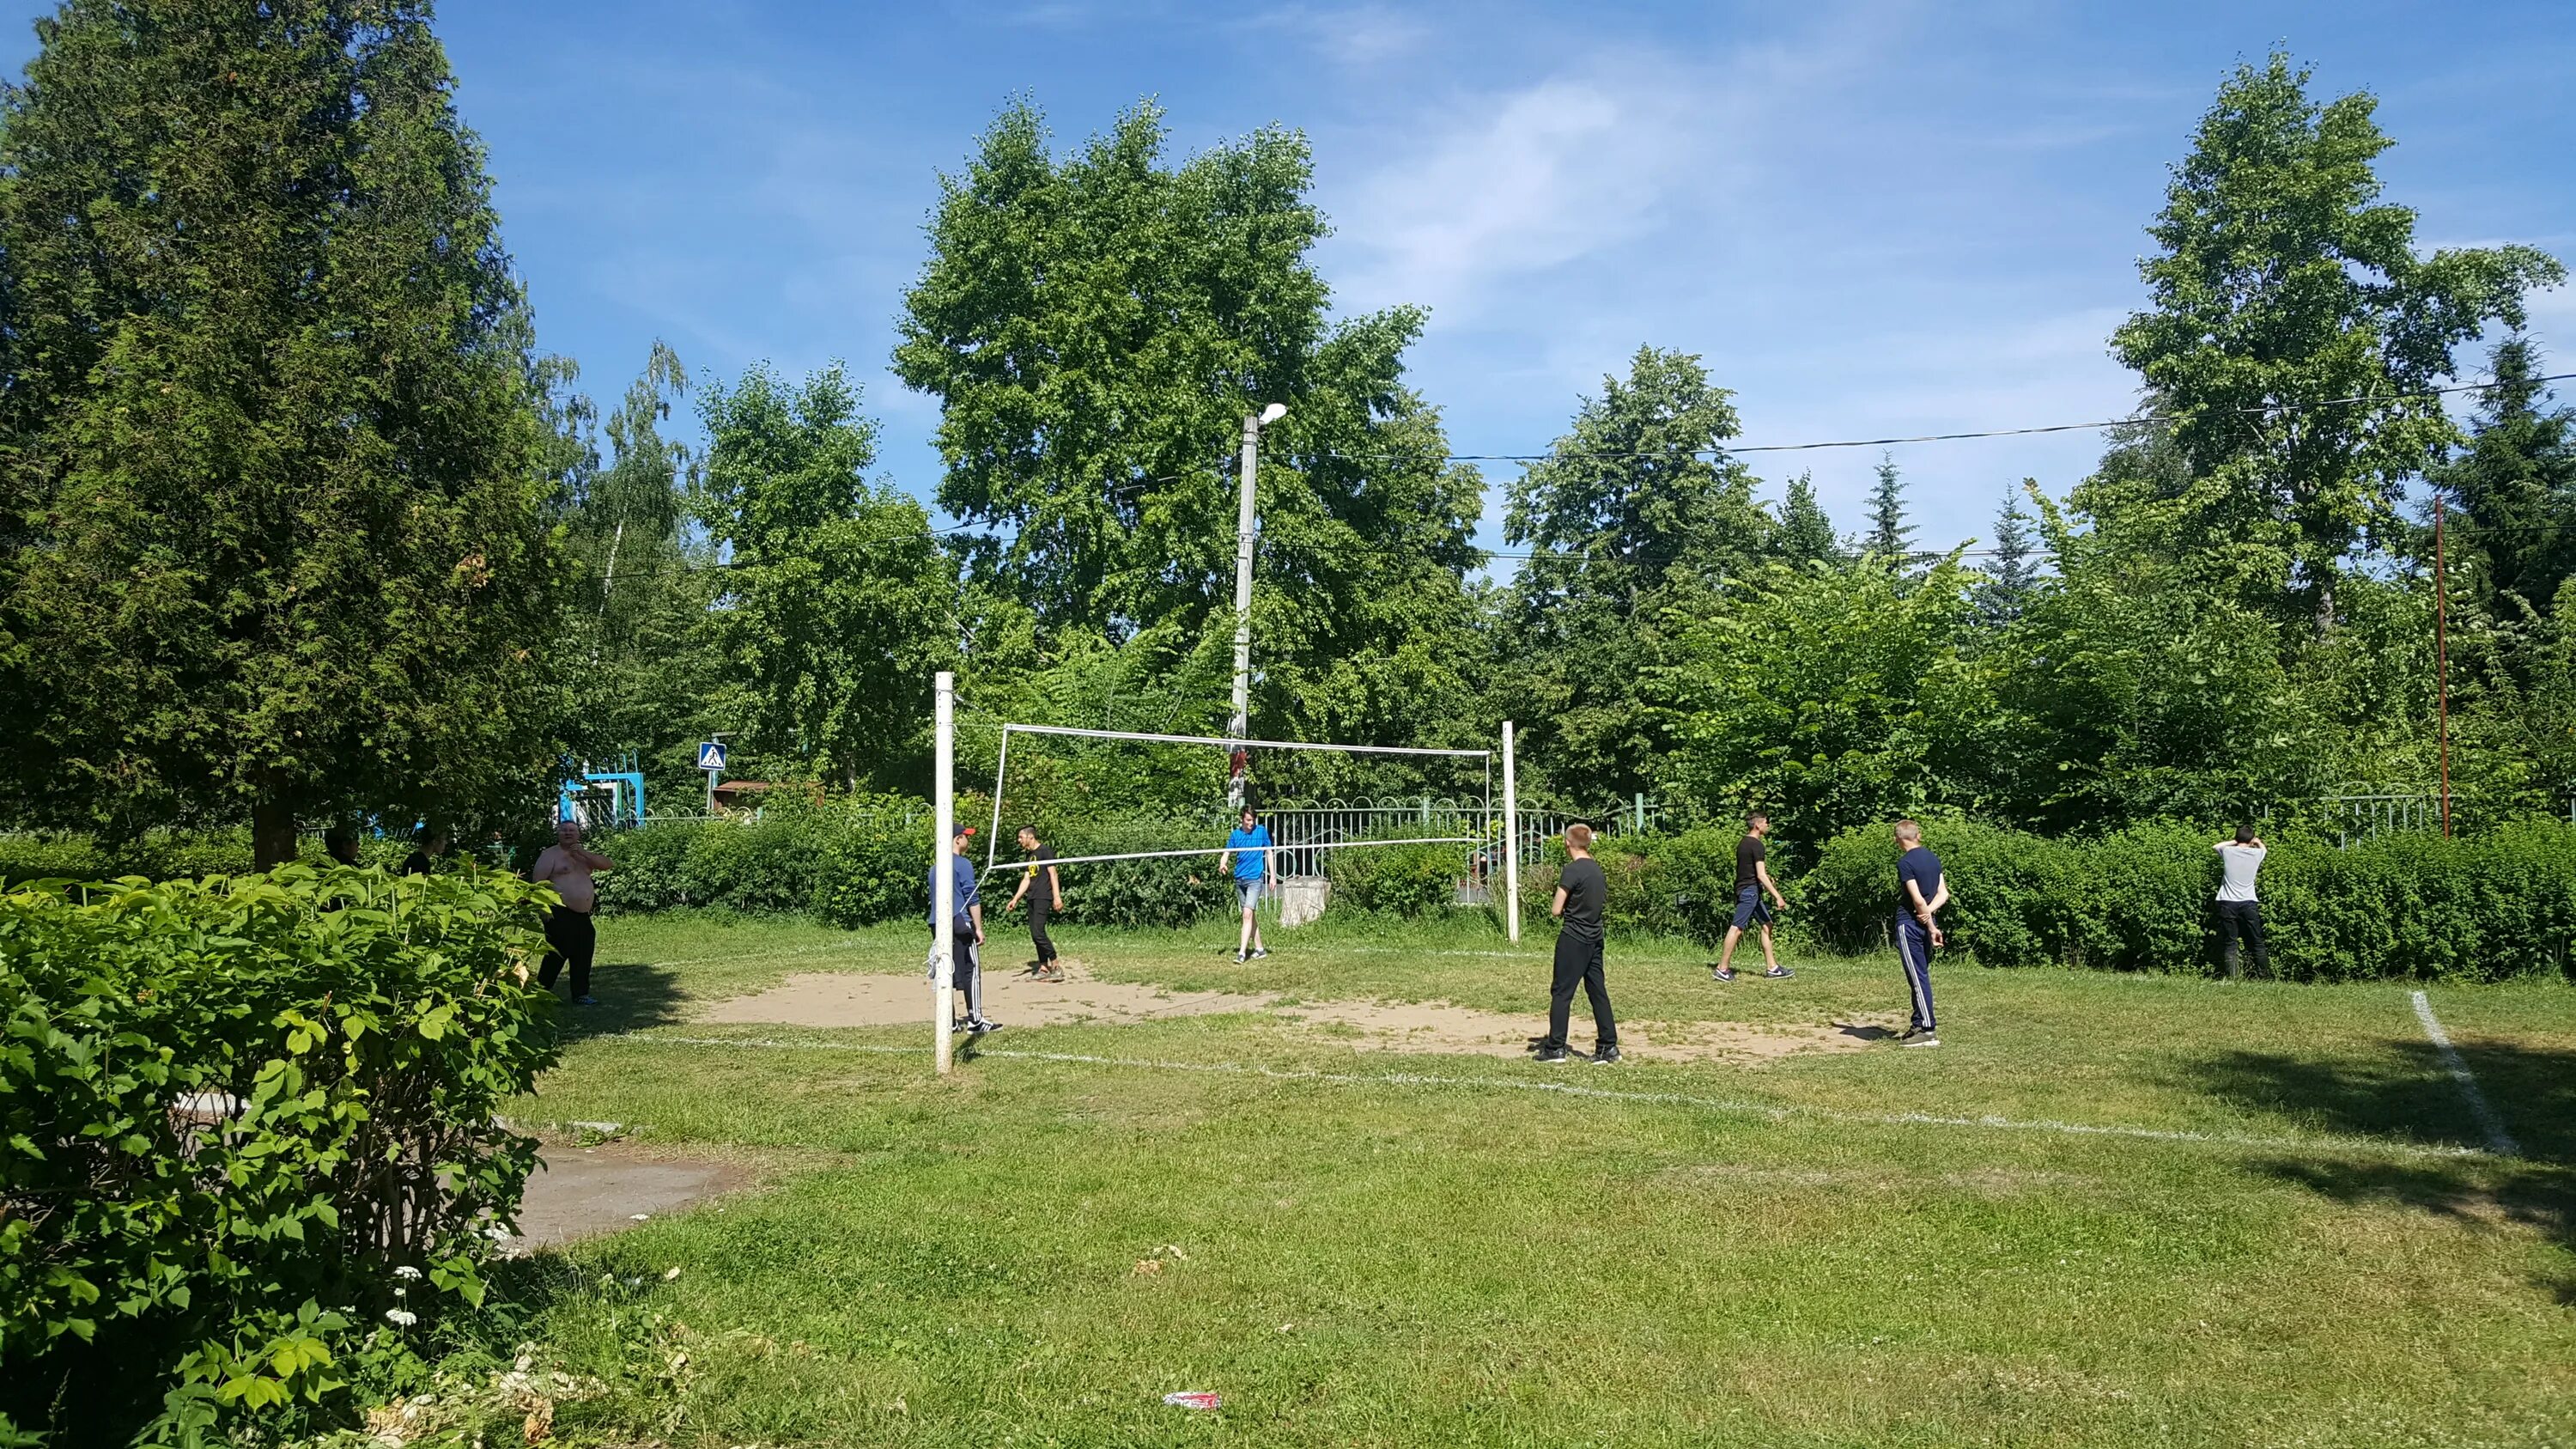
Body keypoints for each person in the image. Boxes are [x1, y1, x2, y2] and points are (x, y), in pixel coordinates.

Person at [1534, 825, 1619, 1065]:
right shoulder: (1597, 870)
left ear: (1567, 843)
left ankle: (1555, 1047)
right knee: (1597, 990)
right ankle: (1608, 1046)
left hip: (1573, 937)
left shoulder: (1572, 871)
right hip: (1595, 936)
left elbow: (1555, 909)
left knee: (1562, 992)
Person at [529, 819, 615, 1006]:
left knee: (583, 950)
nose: (568, 833)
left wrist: (582, 853)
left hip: (582, 914)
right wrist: (543, 910)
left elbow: (608, 864)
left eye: (572, 830)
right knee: (558, 951)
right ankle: (541, 991)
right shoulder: (549, 855)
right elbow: (537, 884)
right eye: (564, 830)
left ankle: (581, 993)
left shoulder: (584, 855)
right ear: (558, 834)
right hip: (558, 911)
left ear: (579, 833)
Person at [929, 825, 996, 1035]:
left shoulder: (935, 867)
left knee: (945, 969)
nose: (969, 841)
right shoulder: (962, 864)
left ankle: (948, 1020)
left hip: (937, 922)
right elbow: (971, 897)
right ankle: (976, 1019)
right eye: (966, 837)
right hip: (959, 921)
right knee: (971, 969)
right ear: (958, 840)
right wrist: (978, 928)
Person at [1712, 811, 1792, 982]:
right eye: (1766, 822)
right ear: (1758, 824)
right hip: (1749, 891)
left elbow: (1751, 870)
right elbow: (1760, 875)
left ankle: (1773, 968)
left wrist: (1764, 879)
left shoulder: (1744, 843)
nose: (1768, 825)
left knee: (1767, 925)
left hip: (1749, 889)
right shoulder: (1757, 845)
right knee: (1737, 928)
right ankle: (1722, 968)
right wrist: (1778, 896)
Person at [1893, 820, 1946, 1047]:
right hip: (1926, 921)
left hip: (1910, 925)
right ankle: (1917, 1023)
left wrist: (1930, 926)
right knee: (1920, 974)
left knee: (1917, 977)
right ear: (1918, 836)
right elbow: (1943, 893)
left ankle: (1927, 1028)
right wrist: (1930, 916)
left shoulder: (1905, 863)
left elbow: (1917, 899)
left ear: (1897, 840)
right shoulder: (1933, 858)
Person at [1003, 825, 1064, 981]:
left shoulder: (1045, 851)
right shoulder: (1029, 857)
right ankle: (1043, 968)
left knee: (1038, 932)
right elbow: (1026, 879)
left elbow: (1053, 874)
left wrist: (1057, 897)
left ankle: (1056, 965)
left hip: (1043, 896)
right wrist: (1015, 899)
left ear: (1030, 837)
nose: (1019, 840)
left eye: (1020, 837)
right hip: (1032, 897)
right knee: (1034, 934)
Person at [2215, 825, 2269, 980]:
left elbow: (2216, 846)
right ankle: (2264, 976)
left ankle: (2233, 978)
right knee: (2257, 941)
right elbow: (2264, 849)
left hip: (2227, 902)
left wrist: (2235, 841)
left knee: (2231, 943)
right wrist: (2256, 842)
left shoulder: (2228, 851)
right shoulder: (2257, 854)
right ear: (2251, 839)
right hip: (2249, 902)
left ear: (2237, 837)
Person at [1218, 807, 1272, 964]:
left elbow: (1269, 852)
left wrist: (1273, 876)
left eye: (1253, 820)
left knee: (1247, 914)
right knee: (1250, 916)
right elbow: (1227, 853)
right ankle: (1260, 949)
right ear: (1242, 819)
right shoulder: (1236, 835)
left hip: (1255, 879)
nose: (1251, 823)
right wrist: (1223, 864)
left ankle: (1242, 953)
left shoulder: (1261, 831)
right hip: (1240, 879)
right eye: (1248, 820)